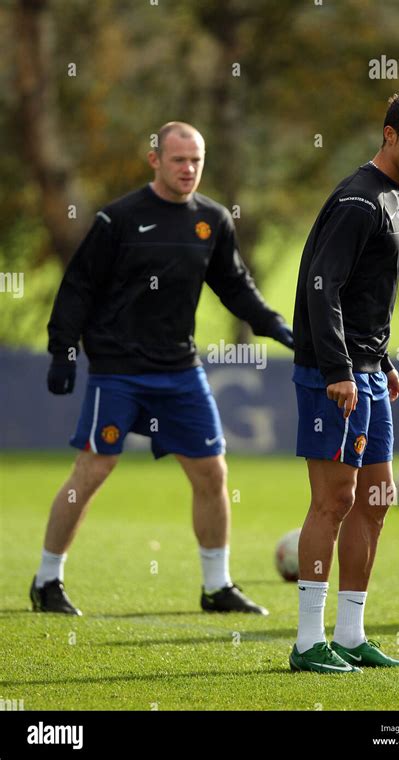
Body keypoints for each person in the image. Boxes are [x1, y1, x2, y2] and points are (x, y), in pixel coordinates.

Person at [30, 121, 293, 617]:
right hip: (118, 370)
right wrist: (63, 350)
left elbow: (234, 286)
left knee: (212, 472)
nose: (189, 169)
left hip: (180, 369)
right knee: (93, 470)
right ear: (155, 161)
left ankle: (216, 586)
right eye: (178, 160)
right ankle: (47, 581)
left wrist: (276, 326)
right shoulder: (119, 219)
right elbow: (78, 287)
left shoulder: (212, 220)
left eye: (196, 160)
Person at [290, 93, 399, 673]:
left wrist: (379, 360)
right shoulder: (359, 200)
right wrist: (339, 369)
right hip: (334, 374)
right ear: (389, 135)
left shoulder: (392, 198)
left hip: (367, 370)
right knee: (333, 500)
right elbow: (321, 287)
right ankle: (308, 644)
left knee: (374, 502)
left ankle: (351, 635)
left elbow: (364, 294)